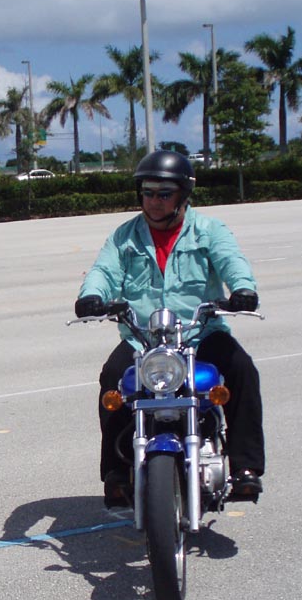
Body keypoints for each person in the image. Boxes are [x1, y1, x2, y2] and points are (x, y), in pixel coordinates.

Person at [74, 150, 265, 508]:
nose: (154, 201)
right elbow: (103, 270)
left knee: (241, 368)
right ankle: (117, 473)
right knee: (113, 377)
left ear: (183, 195)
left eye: (164, 193)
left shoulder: (208, 230)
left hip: (199, 334)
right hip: (143, 339)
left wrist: (242, 289)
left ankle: (245, 468)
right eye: (148, 192)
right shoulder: (125, 237)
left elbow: (231, 260)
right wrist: (91, 296)